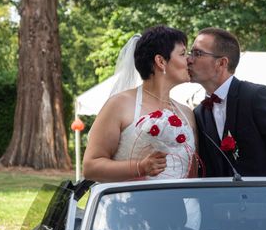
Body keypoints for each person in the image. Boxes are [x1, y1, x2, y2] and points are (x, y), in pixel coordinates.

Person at [188, 27, 266, 177]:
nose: (189, 59)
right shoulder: (199, 113)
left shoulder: (257, 97)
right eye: (190, 53)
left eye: (197, 53)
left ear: (221, 63)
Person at [82, 26, 198, 182]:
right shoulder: (119, 105)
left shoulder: (187, 113)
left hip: (177, 205)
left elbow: (193, 172)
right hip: (129, 204)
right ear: (161, 61)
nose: (190, 60)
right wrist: (140, 167)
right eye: (183, 54)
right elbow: (90, 167)